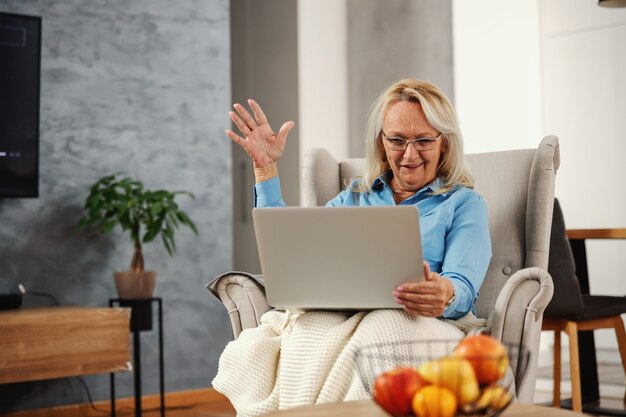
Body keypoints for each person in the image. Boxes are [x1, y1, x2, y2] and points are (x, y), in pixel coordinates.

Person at [226, 78, 492, 320]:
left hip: (420, 323)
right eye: (397, 140)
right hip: (346, 321)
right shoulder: (354, 197)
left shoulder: (464, 204)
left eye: (423, 141)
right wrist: (265, 168)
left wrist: (445, 293)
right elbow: (289, 255)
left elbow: (463, 287)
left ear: (444, 142)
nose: (410, 155)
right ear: (381, 144)